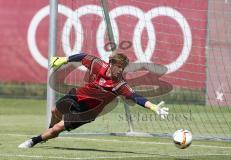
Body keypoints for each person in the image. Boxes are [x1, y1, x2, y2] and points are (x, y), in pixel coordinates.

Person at [18, 52, 169, 148]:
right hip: (78, 96)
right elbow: (83, 56)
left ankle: (34, 141)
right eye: (119, 67)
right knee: (54, 111)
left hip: (88, 112)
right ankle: (49, 131)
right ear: (111, 64)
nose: (121, 70)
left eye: (123, 67)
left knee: (57, 129)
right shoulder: (97, 64)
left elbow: (136, 97)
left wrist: (154, 107)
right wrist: (64, 59)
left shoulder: (120, 84)